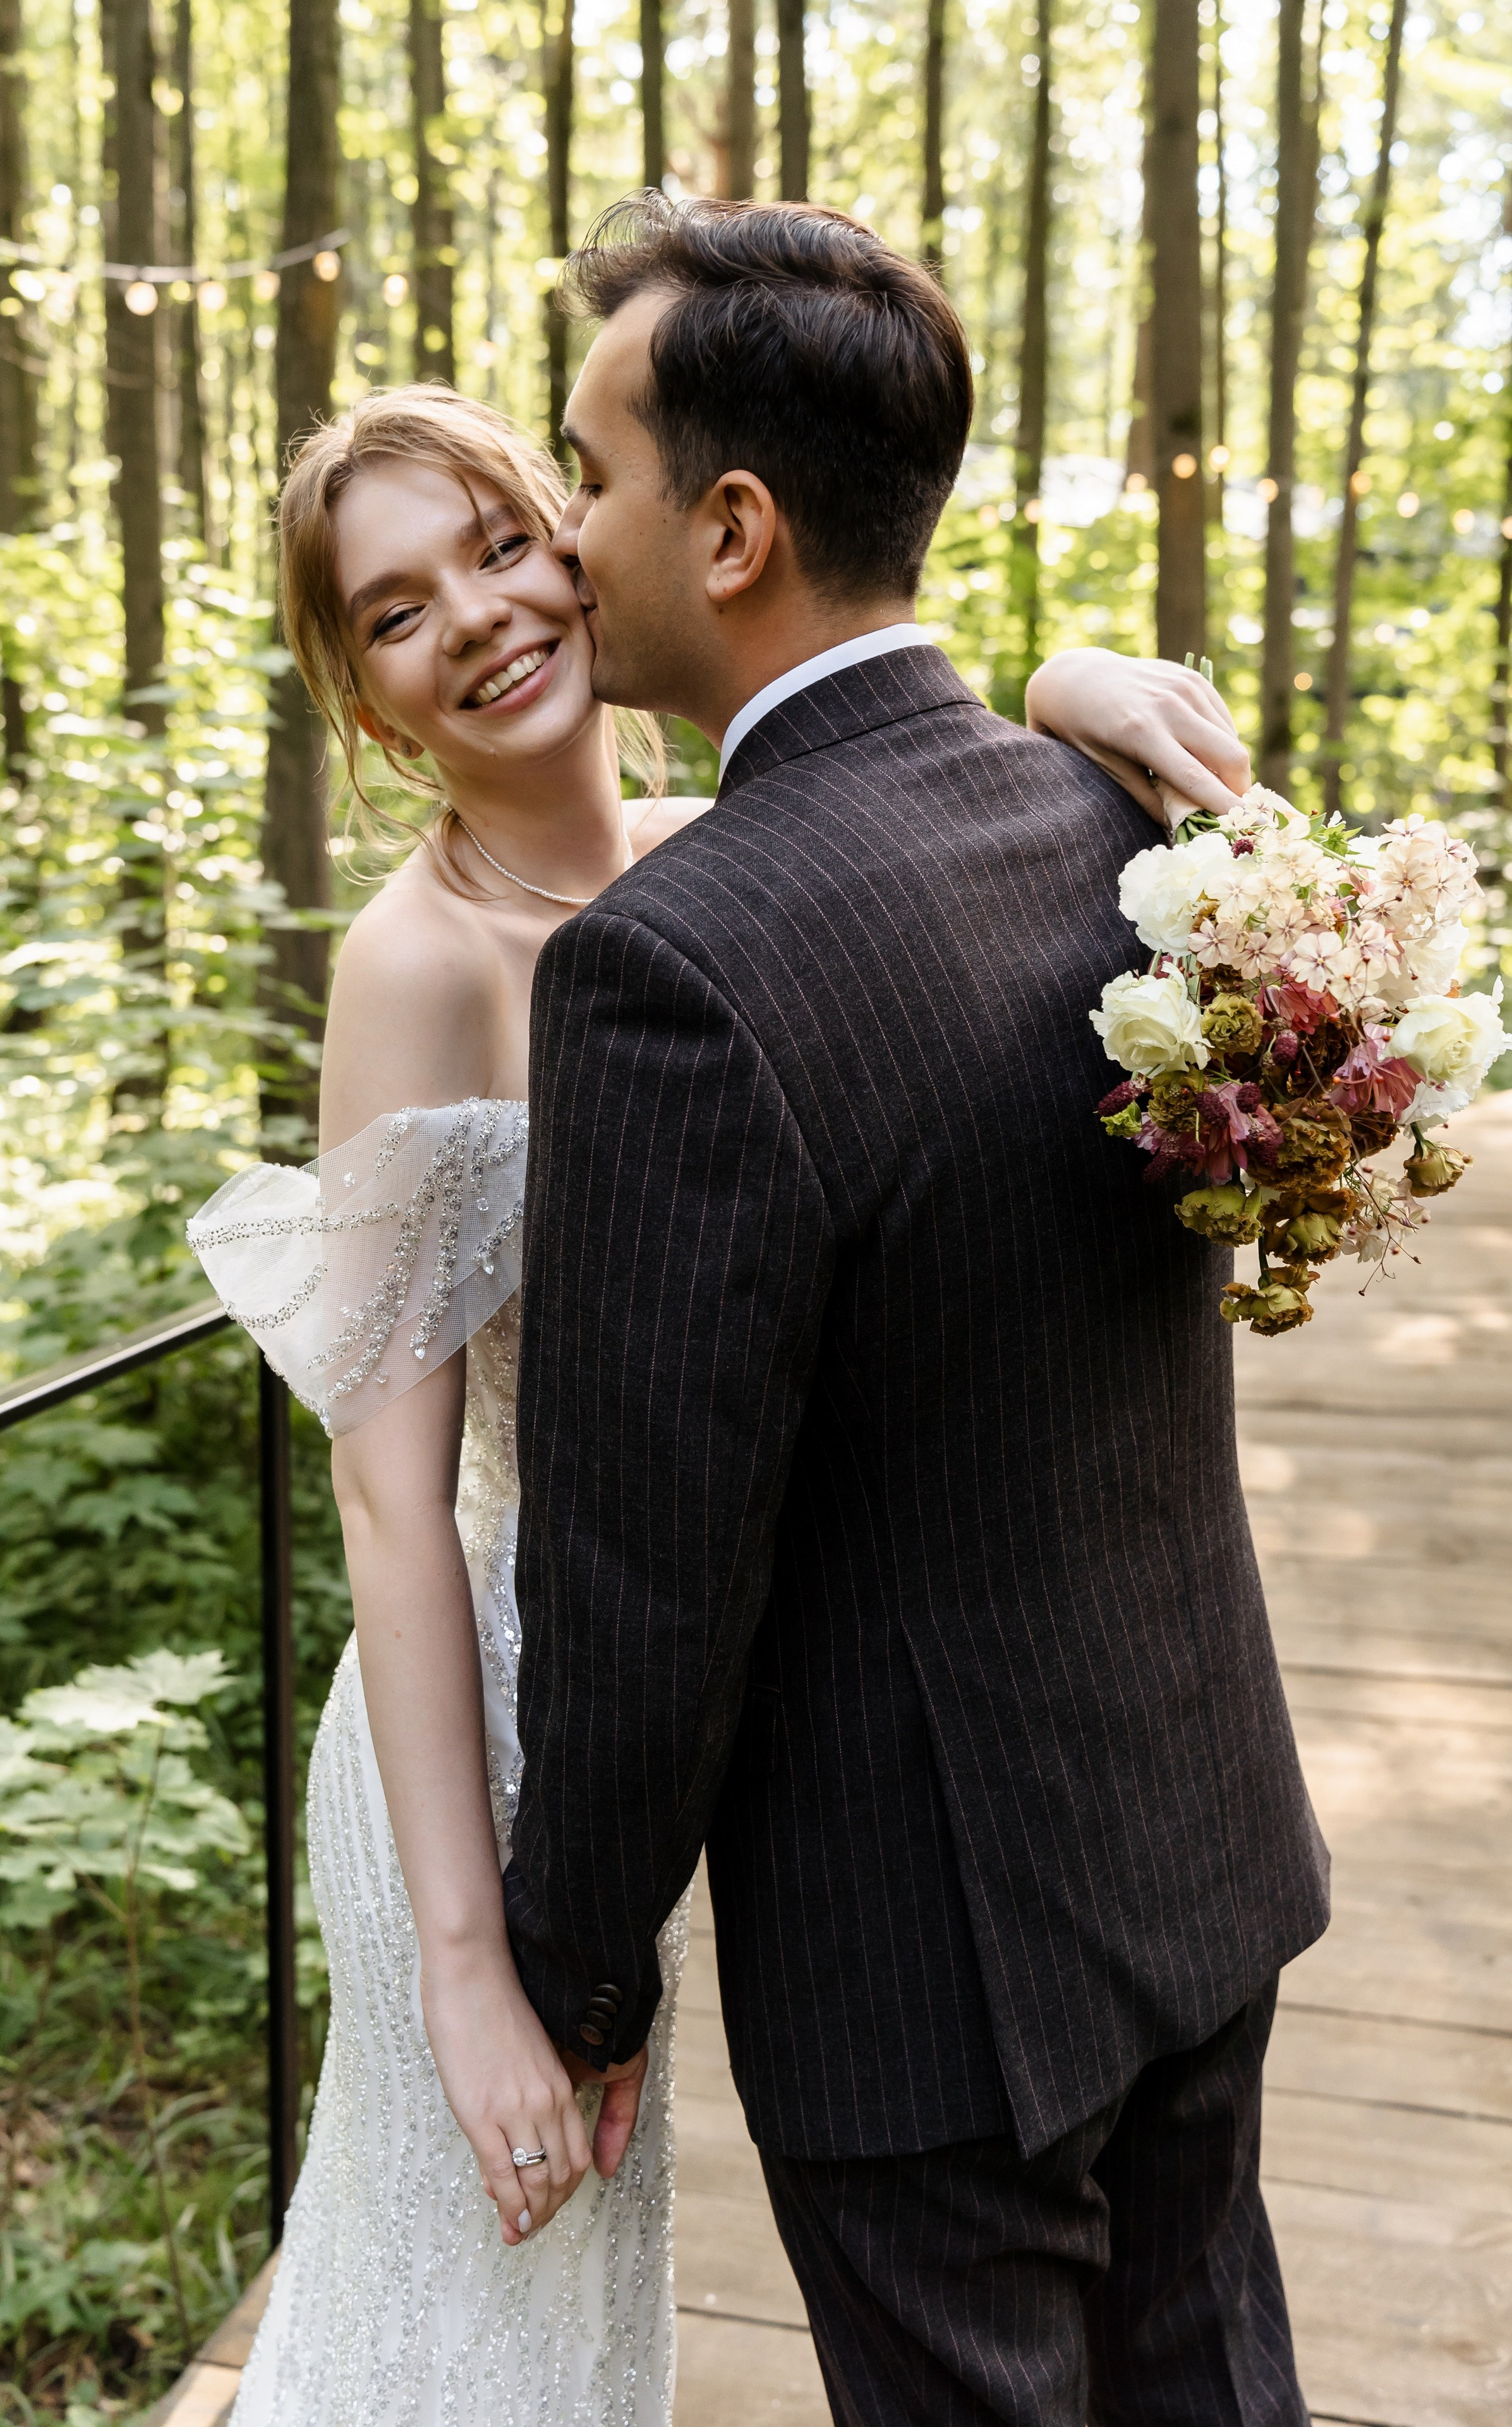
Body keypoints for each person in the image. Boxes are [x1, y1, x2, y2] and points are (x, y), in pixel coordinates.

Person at [186, 374, 1261, 2419]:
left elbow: (885, 780)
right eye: (396, 612)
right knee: (469, 2333)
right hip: (492, 1749)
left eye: (508, 539)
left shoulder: (709, 857)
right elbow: (393, 1510)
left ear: (594, 553)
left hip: (687, 1716)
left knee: (602, 2329)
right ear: (366, 696)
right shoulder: (417, 972)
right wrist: (470, 1968)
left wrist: (1069, 679)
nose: (482, 616)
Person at [499, 196, 1331, 2427]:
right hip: (1195, 1829)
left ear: (738, 524)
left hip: (925, 1961)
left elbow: (635, 1567)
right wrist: (1064, 666)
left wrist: (570, 1972)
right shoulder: (1110, 815)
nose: (568, 538)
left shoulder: (670, 972)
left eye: (591, 472)